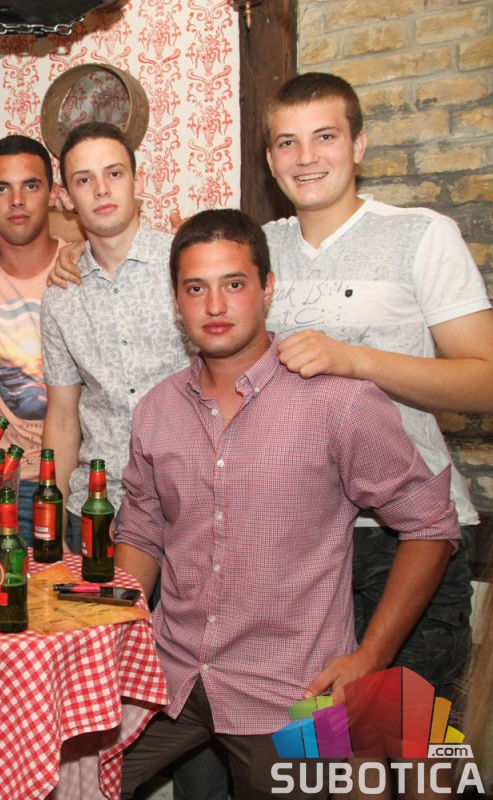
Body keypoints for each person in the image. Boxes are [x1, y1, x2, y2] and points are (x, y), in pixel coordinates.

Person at [113, 208, 460, 799]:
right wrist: (117, 632)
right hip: (170, 673)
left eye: (234, 283)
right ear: (176, 299)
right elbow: (143, 530)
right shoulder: (157, 409)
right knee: (69, 778)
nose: (215, 305)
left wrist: (371, 657)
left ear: (268, 287)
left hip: (292, 692)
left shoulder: (339, 403)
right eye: (195, 288)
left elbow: (431, 524)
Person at [263, 71, 491, 718]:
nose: (306, 157)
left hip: (409, 536)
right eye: (287, 142)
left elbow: (485, 380)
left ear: (358, 145)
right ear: (271, 159)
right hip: (304, 538)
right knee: (322, 744)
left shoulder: (420, 234)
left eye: (325, 137)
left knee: (413, 744)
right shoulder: (262, 246)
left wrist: (355, 360)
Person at [39, 122, 193, 553]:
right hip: (95, 506)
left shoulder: (186, 266)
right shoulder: (60, 298)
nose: (102, 189)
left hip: (187, 503)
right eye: (84, 180)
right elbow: (63, 417)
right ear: (66, 198)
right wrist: (55, 526)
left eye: (114, 173)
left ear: (136, 182)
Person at [0, 135, 67, 540]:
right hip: (11, 484)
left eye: (30, 185)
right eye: (2, 188)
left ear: (52, 193)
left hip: (89, 476)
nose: (17, 201)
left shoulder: (83, 266)